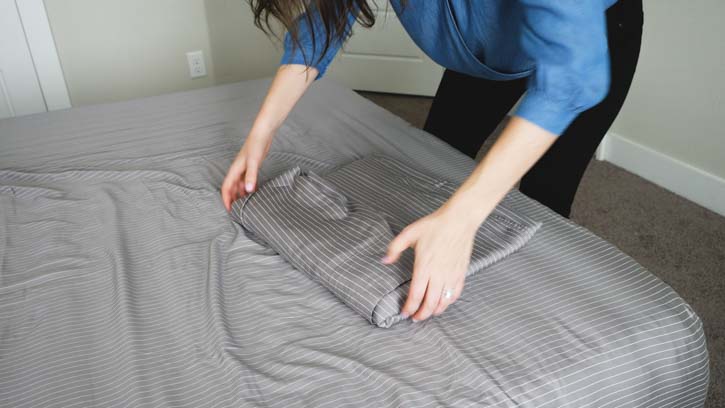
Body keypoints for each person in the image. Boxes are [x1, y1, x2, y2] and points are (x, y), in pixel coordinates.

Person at [221, 0, 644, 323]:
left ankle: (530, 316)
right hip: (486, 42)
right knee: (439, 158)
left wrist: (461, 223)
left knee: (545, 192)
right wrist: (263, 131)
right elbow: (326, 20)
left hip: (591, 39)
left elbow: (568, 82)